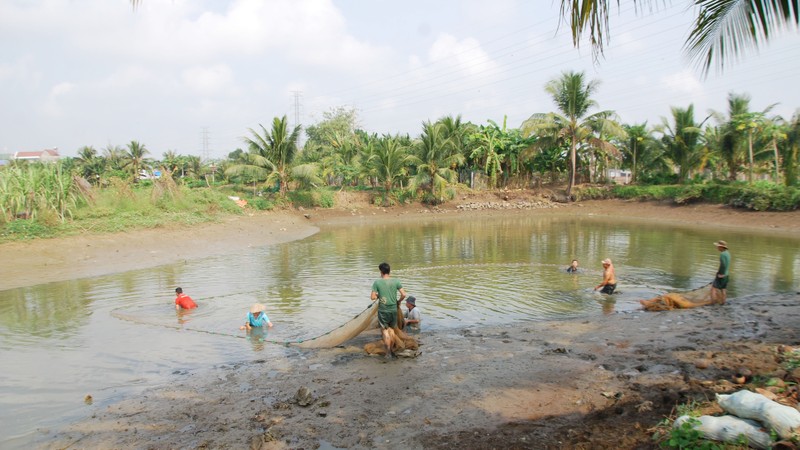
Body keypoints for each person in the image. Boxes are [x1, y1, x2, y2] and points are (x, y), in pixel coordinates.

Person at [370, 262, 407, 359]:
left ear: (381, 271)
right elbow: (404, 294)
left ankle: (388, 353)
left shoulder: (377, 282)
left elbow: (373, 297)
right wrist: (399, 301)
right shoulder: (396, 281)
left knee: (385, 331)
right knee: (392, 329)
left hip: (383, 310)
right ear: (389, 271)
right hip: (393, 309)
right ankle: (392, 349)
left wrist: (379, 295)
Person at [711, 240, 731, 305]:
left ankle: (713, 304)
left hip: (721, 275)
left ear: (721, 247)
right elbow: (726, 265)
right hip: (727, 275)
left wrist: (720, 273)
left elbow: (723, 265)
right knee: (723, 289)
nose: (717, 247)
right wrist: (724, 274)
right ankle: (723, 303)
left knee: (713, 289)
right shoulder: (728, 253)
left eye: (718, 246)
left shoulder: (722, 254)